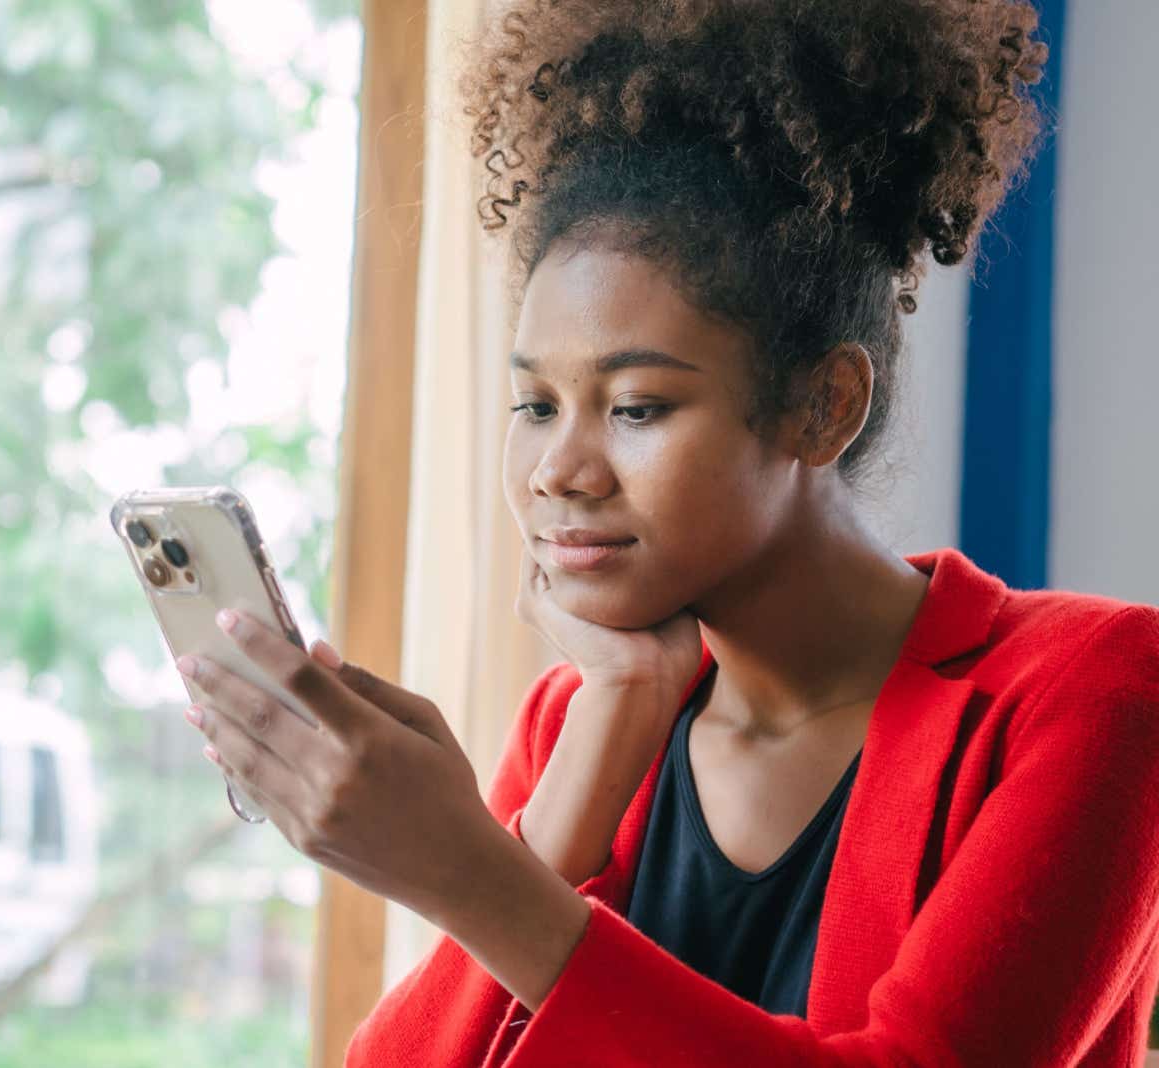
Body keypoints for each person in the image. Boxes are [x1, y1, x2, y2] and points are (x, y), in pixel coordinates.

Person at [173, 1, 1159, 1064]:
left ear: (821, 405)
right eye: (536, 405)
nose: (558, 468)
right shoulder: (583, 716)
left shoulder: (1092, 690)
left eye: (635, 407)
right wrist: (577, 789)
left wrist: (469, 872)